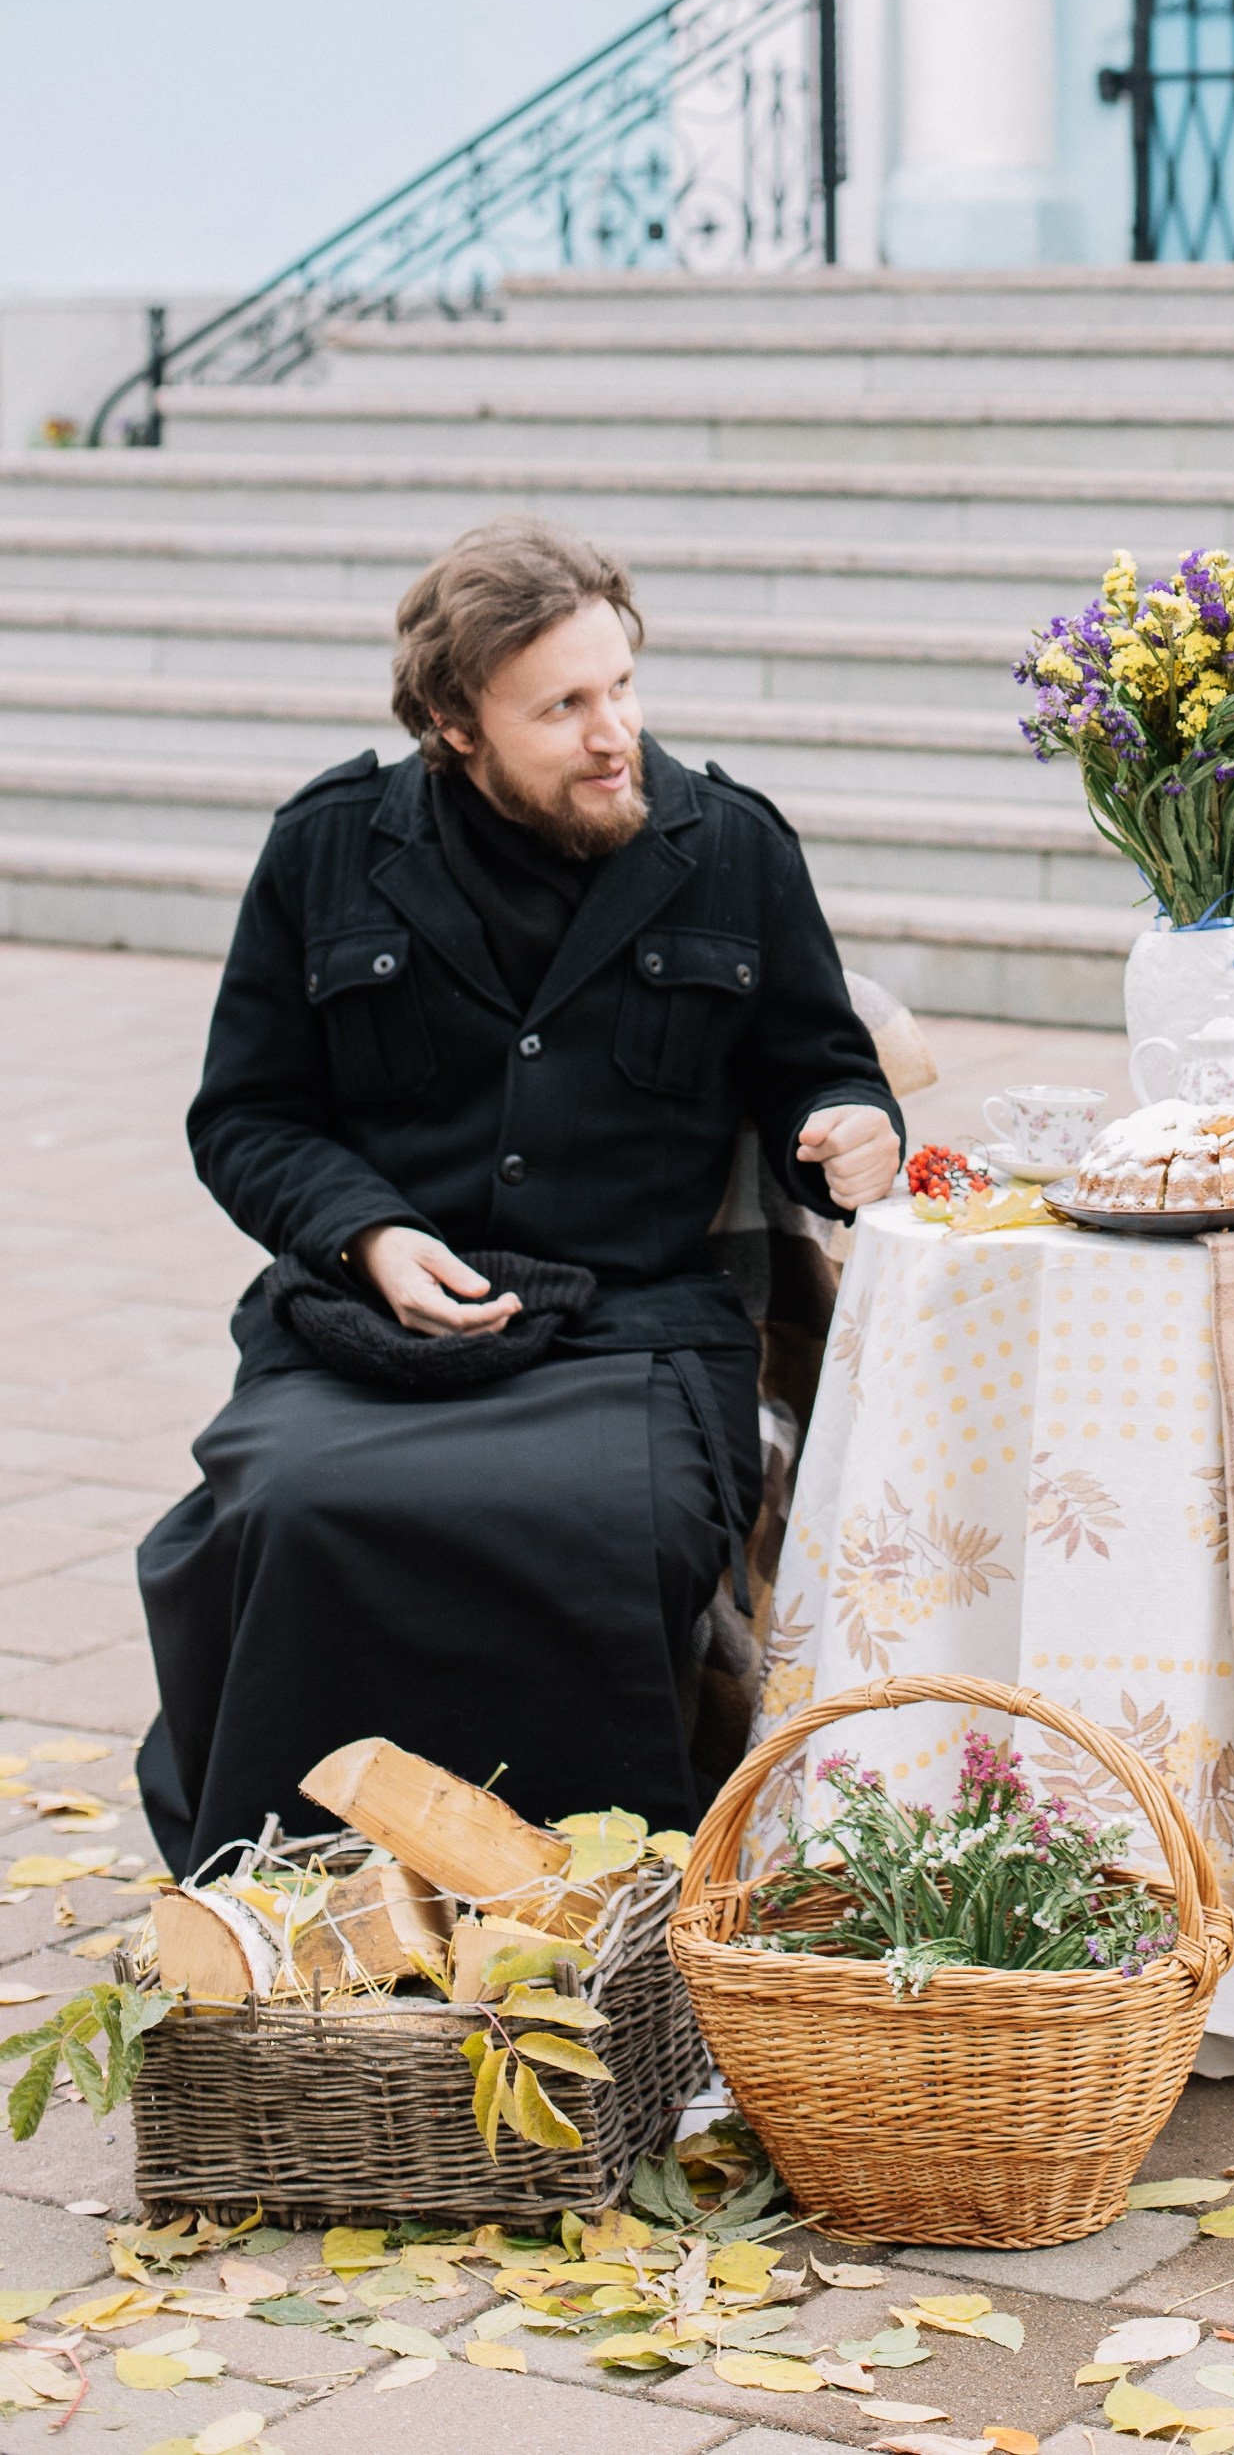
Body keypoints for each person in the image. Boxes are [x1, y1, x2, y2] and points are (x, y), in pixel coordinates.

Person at [137, 518, 902, 1873]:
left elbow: (818, 1067)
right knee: (282, 1515)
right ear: (453, 724)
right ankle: (292, 1908)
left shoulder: (731, 847)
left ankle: (594, 1926)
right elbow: (246, 1115)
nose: (616, 735)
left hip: (640, 1334)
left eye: (622, 687)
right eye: (564, 707)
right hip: (373, 1334)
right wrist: (370, 1232)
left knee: (605, 1532)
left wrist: (848, 1127)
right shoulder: (325, 850)